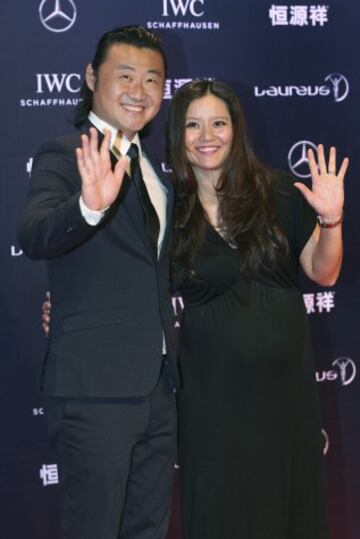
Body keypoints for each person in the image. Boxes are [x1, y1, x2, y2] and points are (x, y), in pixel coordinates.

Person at [165, 79, 348, 538]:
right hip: (210, 396)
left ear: (236, 129)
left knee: (287, 507)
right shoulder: (168, 209)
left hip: (283, 392)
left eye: (218, 123)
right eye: (193, 125)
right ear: (177, 135)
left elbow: (323, 272)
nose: (207, 136)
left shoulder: (280, 192)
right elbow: (130, 280)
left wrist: (332, 220)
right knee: (220, 509)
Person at [18, 26, 178, 539]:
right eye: (125, 75)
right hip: (96, 392)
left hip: (158, 388)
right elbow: (36, 232)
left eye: (152, 79)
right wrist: (89, 206)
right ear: (92, 77)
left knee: (148, 528)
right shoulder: (65, 154)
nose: (139, 90)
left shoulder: (154, 169)